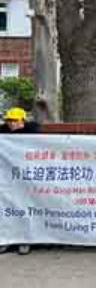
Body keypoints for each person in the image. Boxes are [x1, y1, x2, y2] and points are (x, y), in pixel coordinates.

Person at [0, 107, 38, 255]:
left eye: (14, 120)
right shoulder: (3, 130)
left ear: (23, 120)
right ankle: (6, 239)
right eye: (8, 120)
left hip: (26, 177)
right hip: (7, 177)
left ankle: (25, 240)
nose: (11, 123)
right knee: (6, 207)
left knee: (25, 206)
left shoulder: (32, 130)